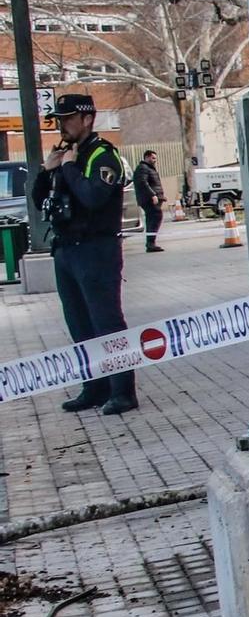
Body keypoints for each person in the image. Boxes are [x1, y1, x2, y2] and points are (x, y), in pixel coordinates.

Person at [31, 95, 138, 416]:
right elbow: (40, 201)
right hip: (66, 248)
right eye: (59, 118)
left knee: (106, 321)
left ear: (87, 119)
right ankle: (95, 386)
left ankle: (123, 390)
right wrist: (45, 171)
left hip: (96, 249)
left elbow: (92, 197)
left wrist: (70, 168)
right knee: (79, 324)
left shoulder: (102, 155)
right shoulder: (64, 155)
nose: (61, 124)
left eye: (67, 118)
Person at [134, 150, 165, 253]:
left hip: (152, 198)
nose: (155, 160)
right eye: (153, 158)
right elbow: (143, 183)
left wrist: (161, 196)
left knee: (153, 218)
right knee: (155, 217)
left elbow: (153, 183)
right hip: (149, 199)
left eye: (155, 158)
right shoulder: (143, 168)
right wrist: (153, 195)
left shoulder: (149, 168)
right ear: (147, 157)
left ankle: (151, 243)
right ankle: (150, 243)